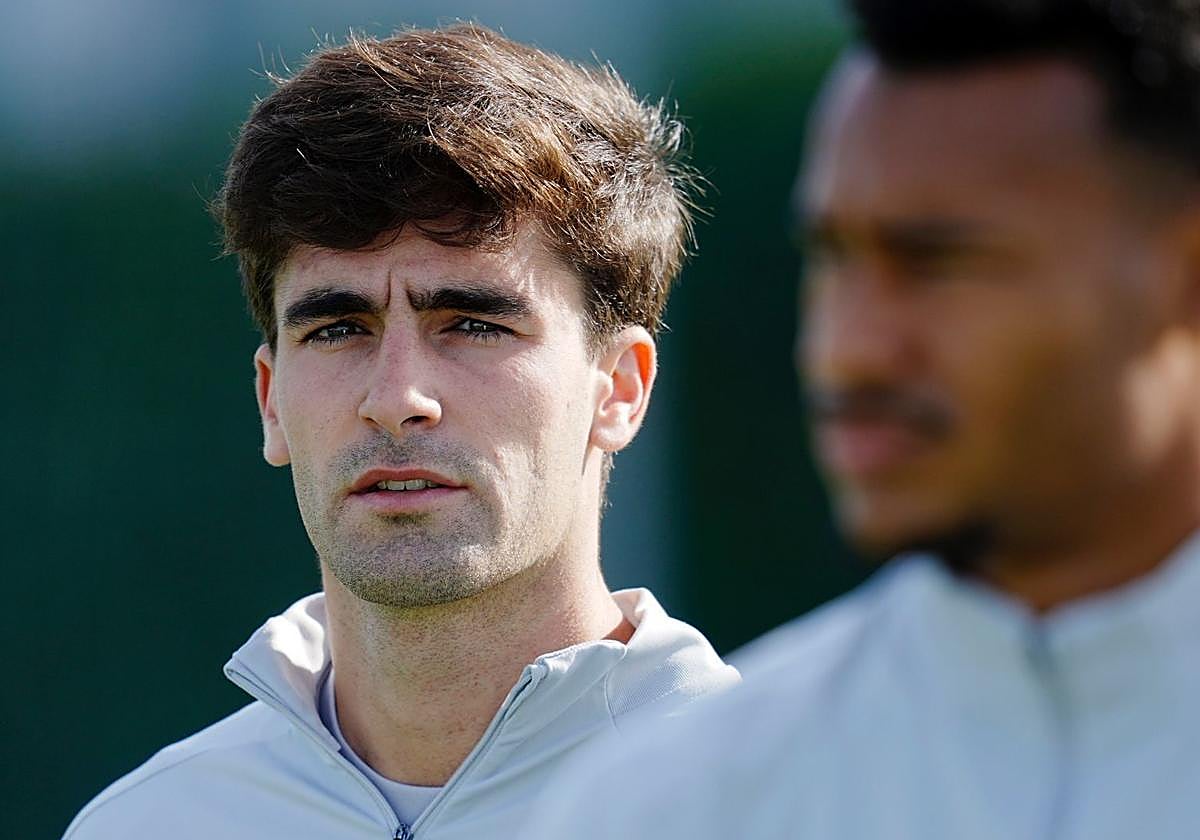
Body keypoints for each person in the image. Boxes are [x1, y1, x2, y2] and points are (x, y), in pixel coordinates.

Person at [522, 1, 1200, 837]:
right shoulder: (675, 805)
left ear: (1184, 273)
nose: (849, 351)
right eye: (835, 259)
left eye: (940, 263)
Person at [62, 24, 737, 840]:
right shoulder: (148, 825)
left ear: (620, 390)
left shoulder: (797, 797)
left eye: (473, 324)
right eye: (338, 328)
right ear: (272, 401)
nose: (397, 397)